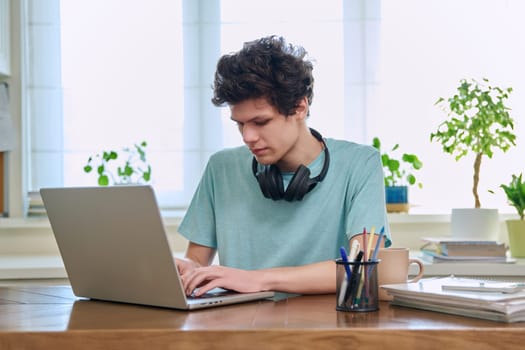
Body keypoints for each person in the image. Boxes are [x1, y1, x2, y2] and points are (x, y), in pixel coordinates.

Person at [176, 35, 391, 297]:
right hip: (238, 327)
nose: (248, 137)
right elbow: (196, 261)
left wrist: (258, 280)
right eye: (240, 124)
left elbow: (360, 268)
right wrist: (187, 269)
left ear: (299, 107)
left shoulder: (360, 164)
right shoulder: (220, 168)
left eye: (261, 122)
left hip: (327, 327)